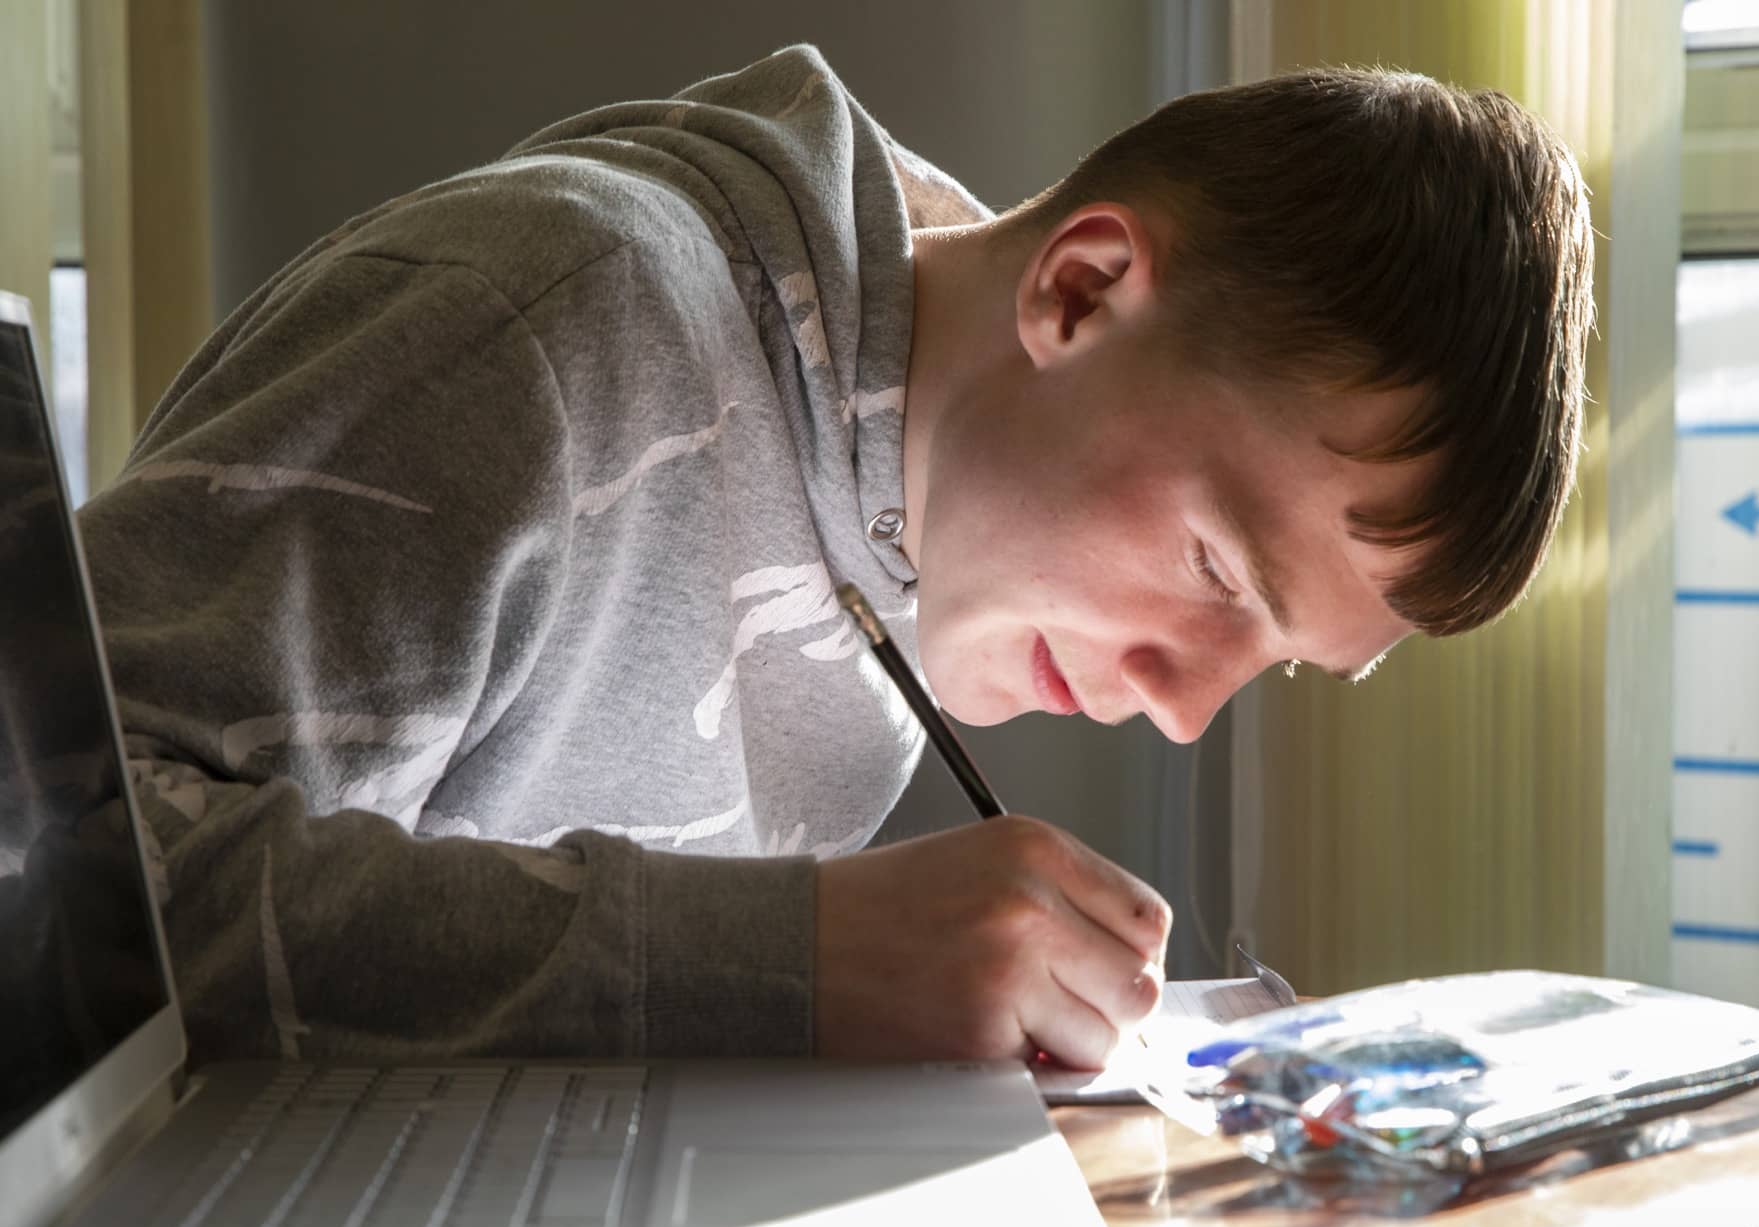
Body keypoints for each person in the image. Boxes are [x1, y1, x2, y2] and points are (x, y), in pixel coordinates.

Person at [76, 46, 1593, 1068]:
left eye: (1270, 663)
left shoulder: (895, 542)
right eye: (1215, 571)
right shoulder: (548, 327)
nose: (1187, 709)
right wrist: (792, 959)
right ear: (1081, 290)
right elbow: (54, 885)